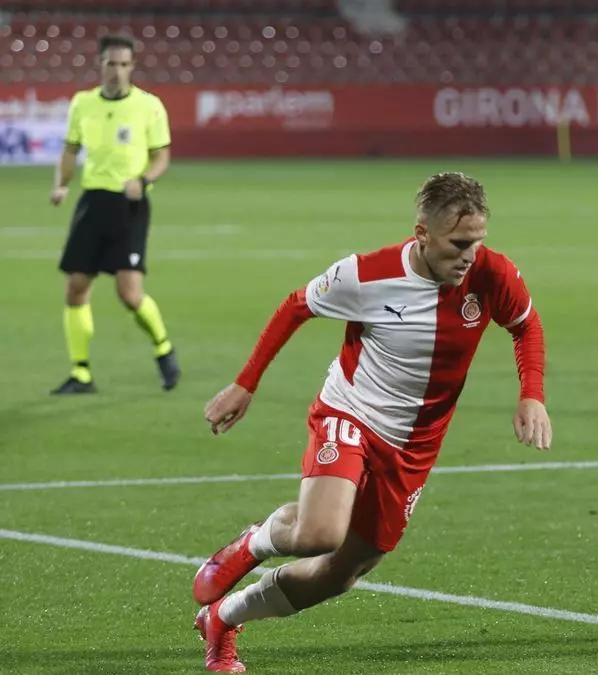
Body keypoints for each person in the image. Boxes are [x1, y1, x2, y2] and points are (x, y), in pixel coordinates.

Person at [192, 172, 552, 672]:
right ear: (422, 234)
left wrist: (532, 395)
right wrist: (245, 384)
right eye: (458, 243)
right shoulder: (365, 274)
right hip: (351, 412)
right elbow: (296, 306)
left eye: (477, 241)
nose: (469, 255)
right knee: (320, 534)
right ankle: (255, 541)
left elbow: (525, 326)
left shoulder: (493, 273)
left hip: (415, 444)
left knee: (343, 572)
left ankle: (223, 618)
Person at [49, 34, 179, 394]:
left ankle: (164, 349)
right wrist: (61, 185)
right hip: (93, 201)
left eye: (123, 64)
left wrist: (144, 180)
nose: (117, 71)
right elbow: (71, 149)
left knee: (130, 294)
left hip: (129, 205)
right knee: (76, 287)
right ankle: (81, 373)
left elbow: (162, 156)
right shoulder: (83, 103)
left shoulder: (149, 106)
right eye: (111, 63)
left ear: (132, 66)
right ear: (100, 64)